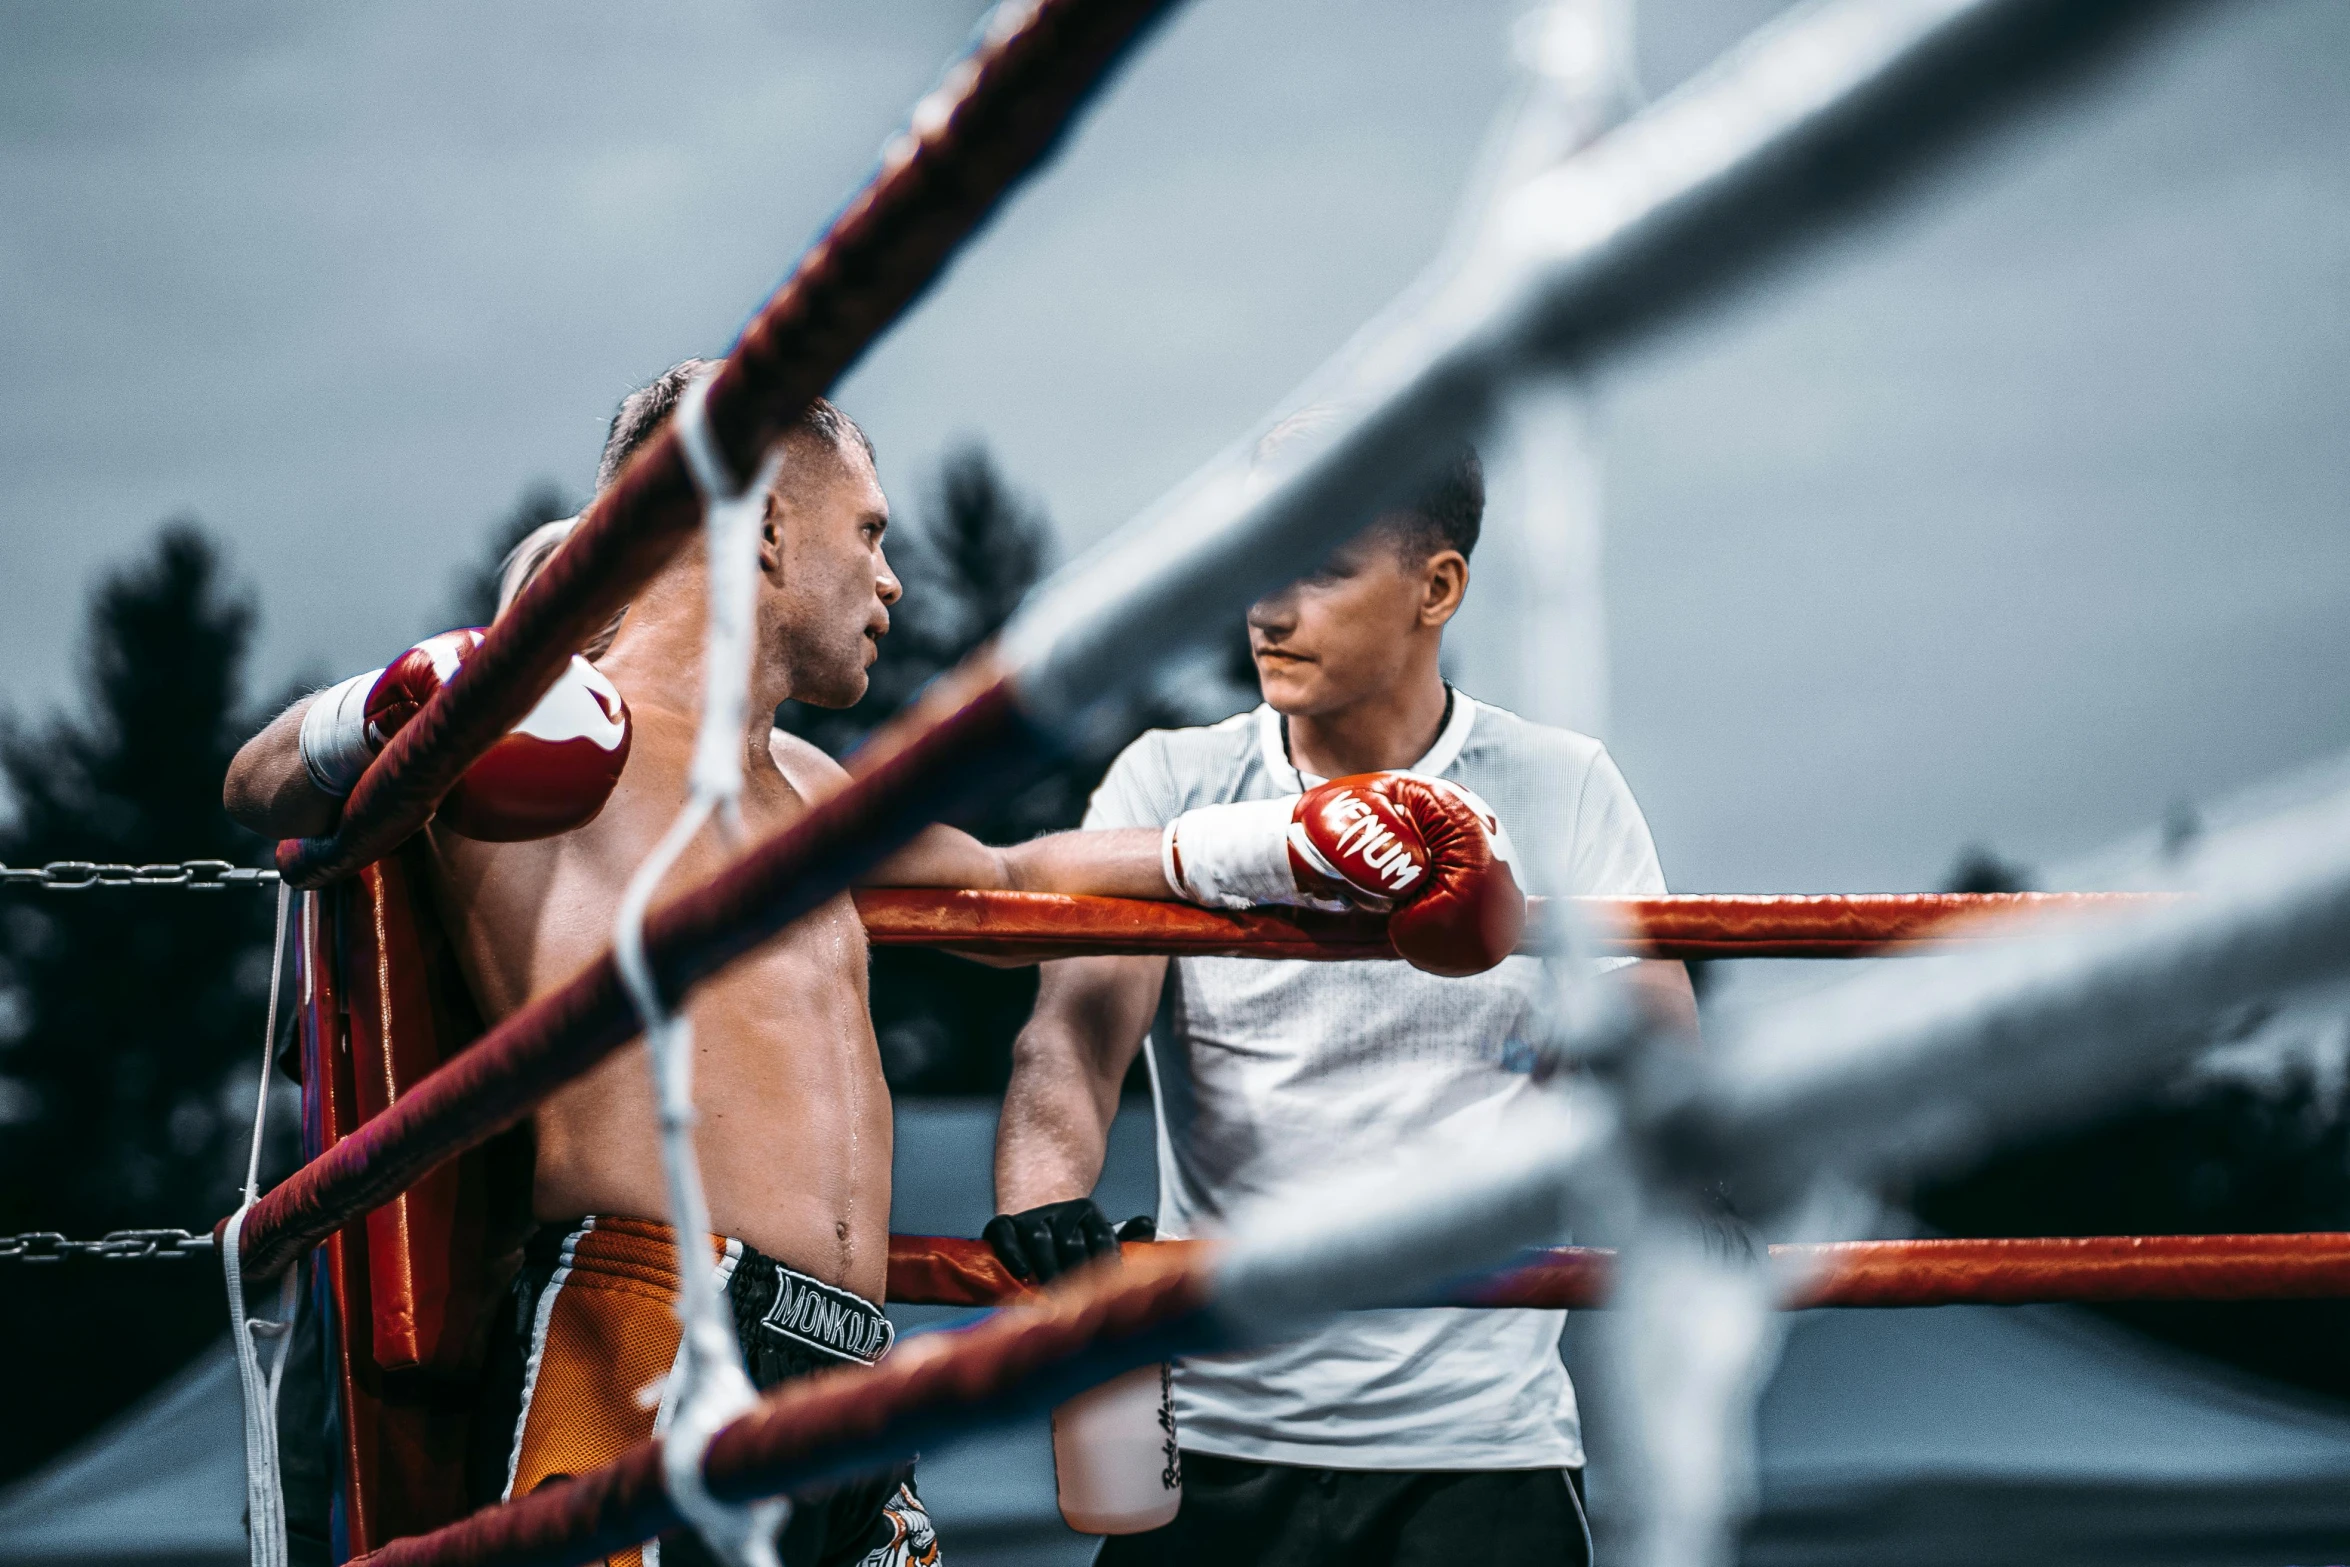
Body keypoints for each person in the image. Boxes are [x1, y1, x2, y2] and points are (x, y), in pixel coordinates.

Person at [224, 364, 1523, 1567]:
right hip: (650, 1321)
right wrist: (394, 703)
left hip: (848, 1354)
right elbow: (262, 780)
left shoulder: (807, 786)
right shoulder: (561, 728)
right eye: (869, 532)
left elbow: (1012, 881)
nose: (890, 578)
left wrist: (1290, 842)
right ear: (771, 529)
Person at [986, 432, 1698, 1566]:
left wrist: (1690, 1184)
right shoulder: (1174, 779)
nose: (1267, 609)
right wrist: (1041, 1200)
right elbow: (1070, 1034)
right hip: (1216, 1445)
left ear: (1438, 587)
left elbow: (1653, 1035)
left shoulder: (1557, 786)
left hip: (1480, 1450)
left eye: (1318, 566)